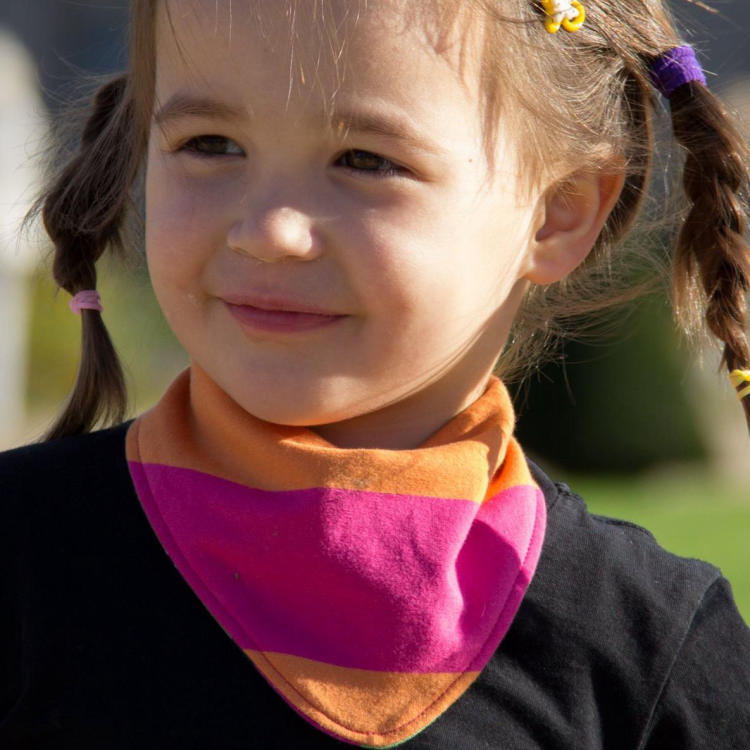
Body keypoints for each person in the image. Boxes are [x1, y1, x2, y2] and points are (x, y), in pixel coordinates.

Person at [2, 0, 749, 747]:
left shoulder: (651, 656)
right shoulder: (24, 560)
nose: (269, 232)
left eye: (364, 160)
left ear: (557, 211)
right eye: (211, 144)